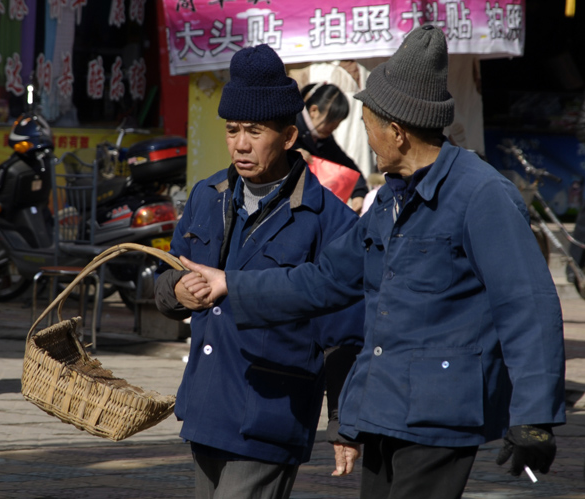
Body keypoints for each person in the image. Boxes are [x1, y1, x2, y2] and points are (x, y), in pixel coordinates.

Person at [178, 26, 566, 499]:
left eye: (366, 124)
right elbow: (324, 281)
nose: (364, 135)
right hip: (384, 408)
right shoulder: (389, 202)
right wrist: (231, 286)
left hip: (441, 413)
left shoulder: (480, 195)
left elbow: (526, 304)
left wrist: (535, 416)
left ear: (397, 132)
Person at [153, 44, 364, 499]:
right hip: (205, 407)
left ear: (289, 137)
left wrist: (343, 422)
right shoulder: (207, 197)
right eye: (232, 130)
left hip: (270, 414)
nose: (240, 144)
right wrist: (177, 293)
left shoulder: (330, 219)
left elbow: (345, 333)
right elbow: (165, 281)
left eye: (254, 131)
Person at [294, 82, 369, 212]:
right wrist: (290, 154)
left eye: (338, 123)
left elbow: (347, 166)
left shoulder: (324, 139)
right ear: (314, 111)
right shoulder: (290, 125)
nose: (334, 128)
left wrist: (358, 193)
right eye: (331, 121)